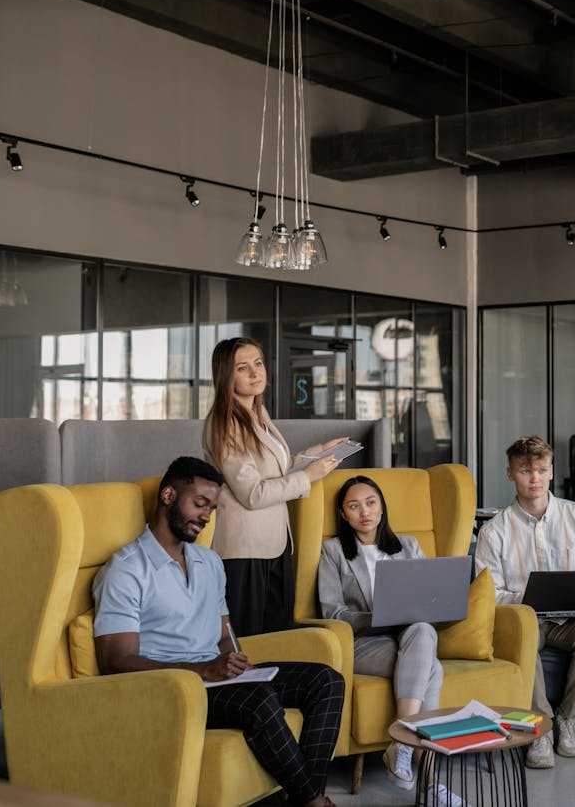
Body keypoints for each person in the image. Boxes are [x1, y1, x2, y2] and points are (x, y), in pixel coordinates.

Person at [92, 457, 346, 807]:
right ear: (168, 495)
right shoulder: (126, 569)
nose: (206, 516)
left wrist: (239, 661)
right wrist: (203, 671)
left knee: (327, 681)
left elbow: (225, 631)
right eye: (199, 503)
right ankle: (312, 801)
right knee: (260, 700)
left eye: (211, 508)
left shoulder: (209, 562)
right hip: (170, 689)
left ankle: (304, 796)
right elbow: (114, 661)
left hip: (217, 679)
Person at [316, 475, 458, 807]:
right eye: (354, 506)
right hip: (363, 643)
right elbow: (332, 611)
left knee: (423, 631)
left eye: (371, 502)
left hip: (409, 638)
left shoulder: (408, 546)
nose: (364, 512)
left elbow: (427, 599)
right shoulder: (333, 551)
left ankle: (405, 745)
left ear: (382, 507)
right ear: (343, 513)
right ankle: (429, 781)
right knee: (431, 668)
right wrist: (378, 615)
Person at [474, 436, 575, 770]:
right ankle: (540, 727)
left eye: (540, 470)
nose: (534, 478)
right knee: (525, 639)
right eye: (525, 471)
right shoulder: (495, 530)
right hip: (523, 618)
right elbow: (488, 591)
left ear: (551, 472)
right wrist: (529, 599)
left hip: (571, 620)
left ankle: (568, 718)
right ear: (510, 474)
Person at [203, 336, 347, 636]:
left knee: (277, 638)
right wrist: (308, 476)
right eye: (243, 368)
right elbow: (253, 493)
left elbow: (274, 470)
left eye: (258, 363)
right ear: (226, 376)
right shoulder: (225, 424)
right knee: (249, 643)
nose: (256, 373)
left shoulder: (258, 414)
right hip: (244, 550)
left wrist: (317, 453)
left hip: (274, 543)